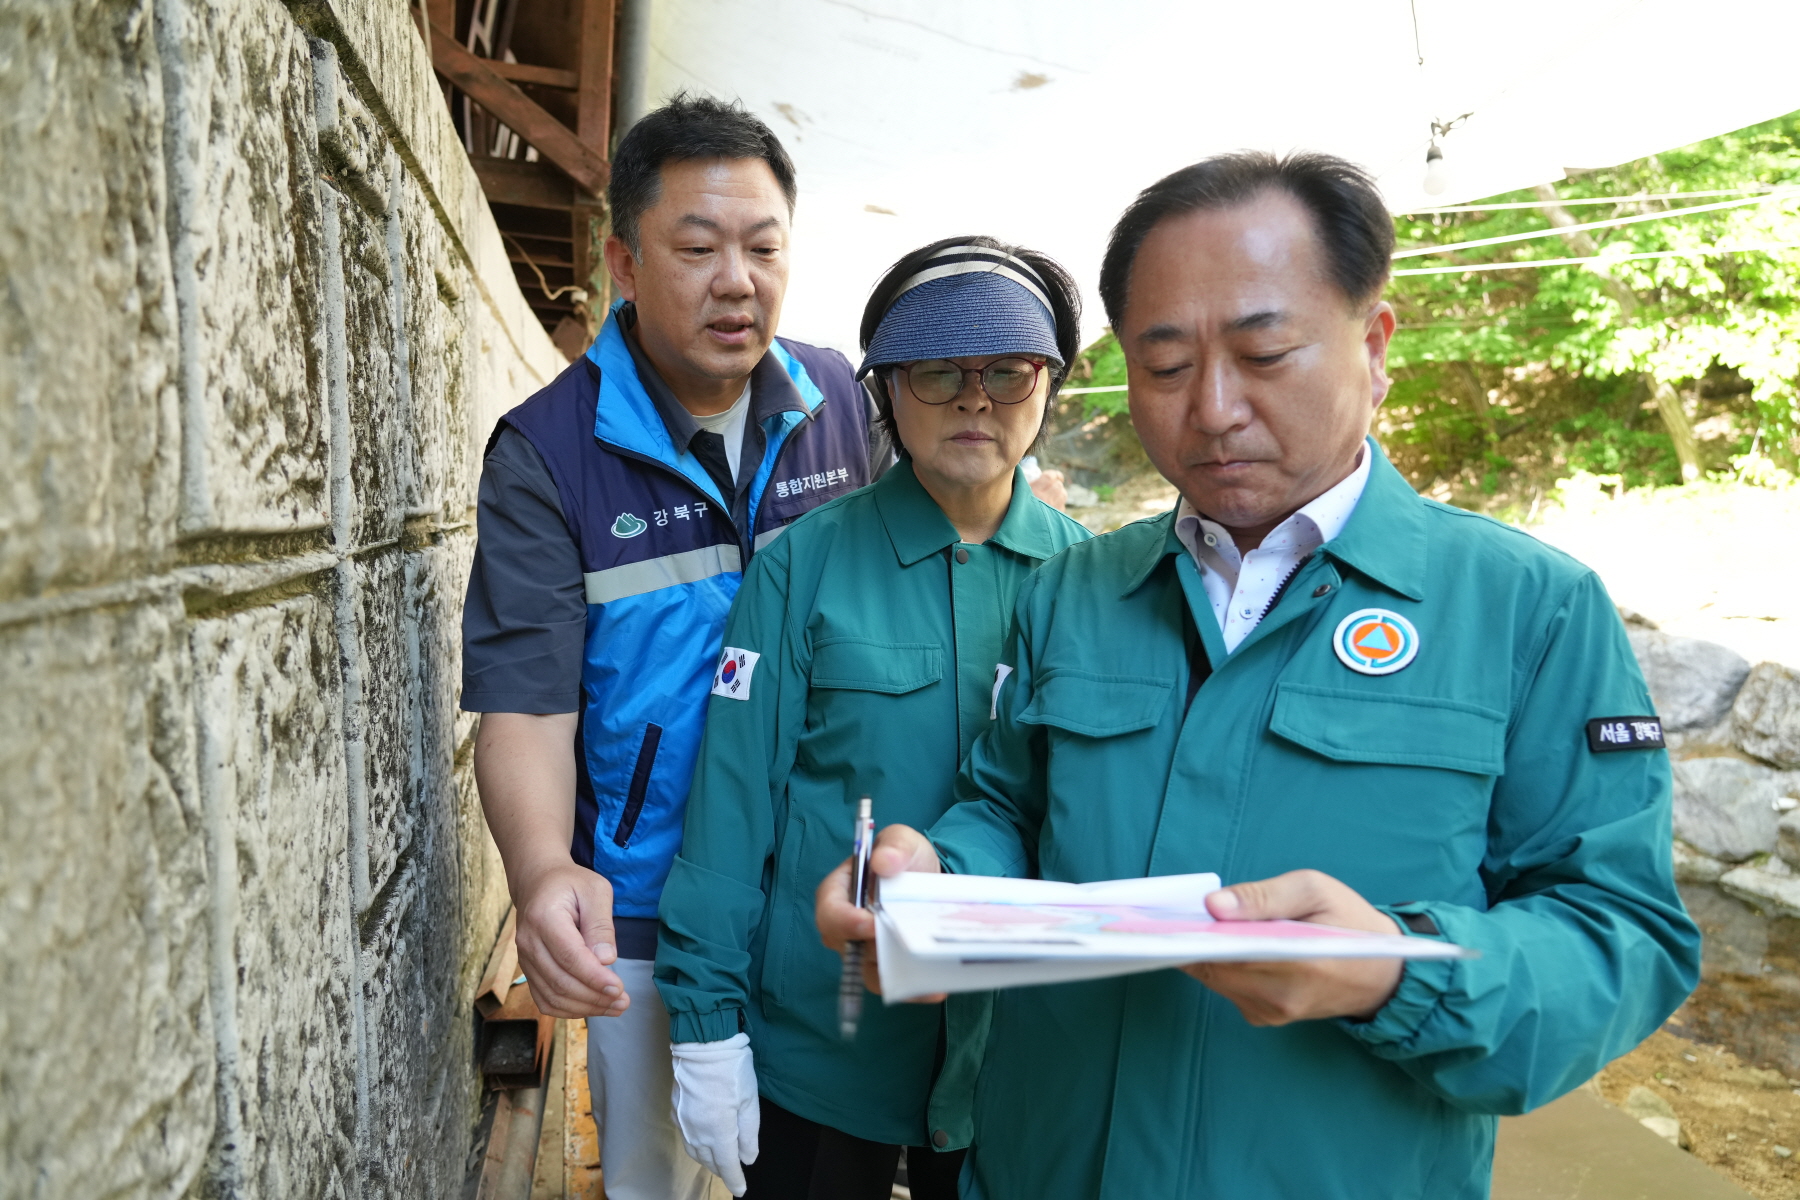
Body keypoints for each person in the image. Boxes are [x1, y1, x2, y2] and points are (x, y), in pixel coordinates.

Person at [816, 153, 1701, 1199]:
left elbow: (1620, 936)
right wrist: (938, 875)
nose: (1214, 409)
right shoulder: (1075, 591)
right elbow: (1009, 802)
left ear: (1373, 346)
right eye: (1165, 365)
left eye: (1265, 350)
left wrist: (1395, 976)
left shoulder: (1528, 609)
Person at [461, 94, 886, 1200]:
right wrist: (544, 866)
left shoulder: (843, 402)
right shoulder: (547, 455)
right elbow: (524, 701)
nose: (735, 280)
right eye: (696, 248)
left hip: (825, 883)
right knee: (656, 1176)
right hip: (645, 907)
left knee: (813, 1170)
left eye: (762, 247)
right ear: (623, 262)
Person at [654, 237, 1092, 1198]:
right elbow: (732, 806)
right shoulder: (802, 566)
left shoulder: (1093, 583)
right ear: (885, 390)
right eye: (937, 371)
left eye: (1008, 370)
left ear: (1046, 387)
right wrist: (704, 1023)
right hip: (824, 1043)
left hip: (1011, 1060)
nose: (975, 398)